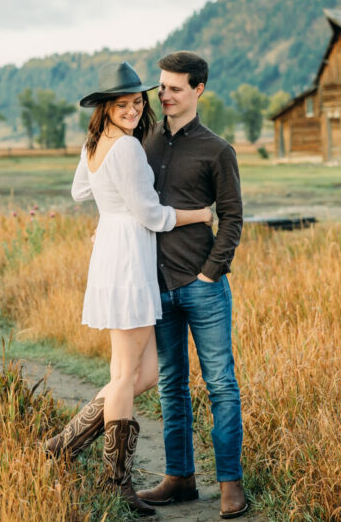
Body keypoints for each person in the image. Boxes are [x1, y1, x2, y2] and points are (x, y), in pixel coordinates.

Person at [45, 61, 213, 517]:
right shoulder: (128, 150)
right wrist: (200, 214)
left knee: (144, 375)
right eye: (123, 104)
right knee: (125, 376)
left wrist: (109, 215)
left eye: (138, 101)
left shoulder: (96, 143)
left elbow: (82, 191)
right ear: (106, 107)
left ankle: (62, 445)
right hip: (129, 259)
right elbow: (152, 216)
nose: (134, 110)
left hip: (115, 254)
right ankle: (116, 483)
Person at [137, 51, 248, 519]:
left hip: (201, 287)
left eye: (175, 88)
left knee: (221, 384)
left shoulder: (217, 150)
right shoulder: (143, 141)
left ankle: (230, 484)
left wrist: (211, 272)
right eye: (161, 87)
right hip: (156, 285)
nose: (164, 95)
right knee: (170, 385)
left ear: (198, 89)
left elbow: (233, 217)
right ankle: (180, 477)